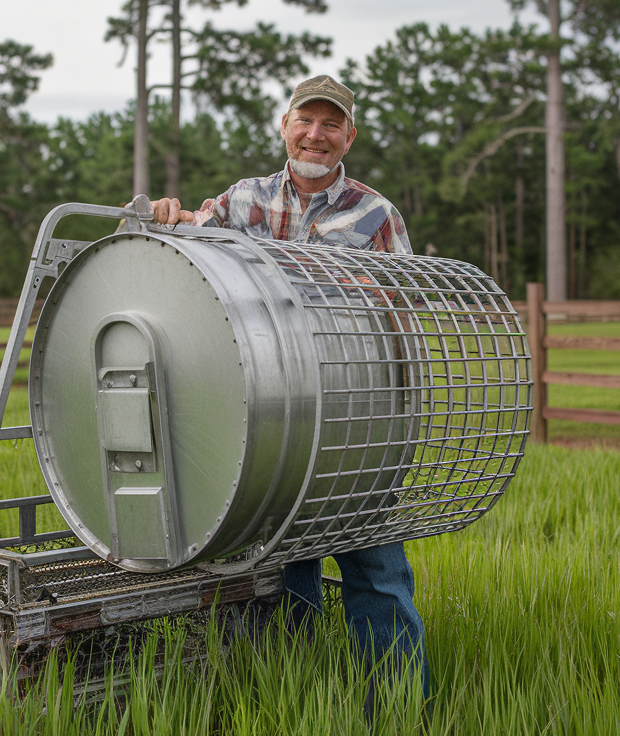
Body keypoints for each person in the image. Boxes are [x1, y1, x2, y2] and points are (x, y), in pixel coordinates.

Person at [147, 75, 428, 707]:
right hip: (268, 419)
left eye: (332, 125)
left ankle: (401, 706)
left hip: (354, 421)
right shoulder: (242, 201)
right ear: (285, 125)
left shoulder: (377, 215)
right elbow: (189, 249)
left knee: (374, 568)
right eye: (307, 120)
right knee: (276, 565)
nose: (317, 134)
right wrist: (169, 216)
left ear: (349, 137)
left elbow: (403, 315)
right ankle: (289, 693)